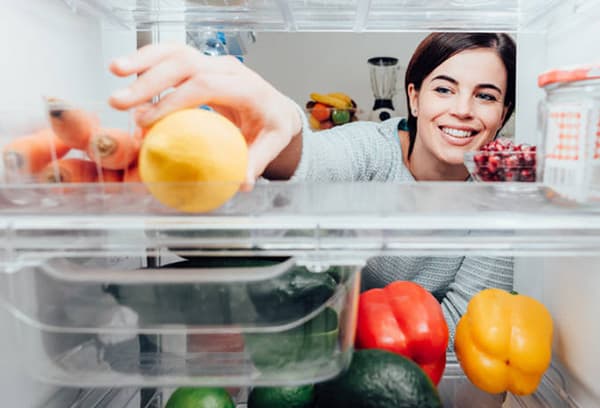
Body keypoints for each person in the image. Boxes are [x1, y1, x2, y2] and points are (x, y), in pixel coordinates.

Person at [108, 32, 516, 346]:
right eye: (444, 88)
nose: (462, 109)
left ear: (503, 115)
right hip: (315, 346)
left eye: (486, 96)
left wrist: (355, 334)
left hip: (406, 365)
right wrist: (282, 122)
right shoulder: (373, 147)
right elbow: (316, 160)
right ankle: (115, 305)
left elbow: (471, 326)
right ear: (414, 97)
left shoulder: (499, 199)